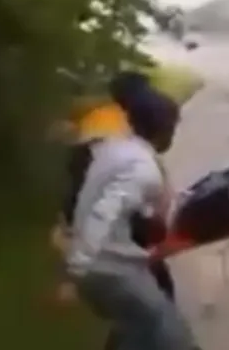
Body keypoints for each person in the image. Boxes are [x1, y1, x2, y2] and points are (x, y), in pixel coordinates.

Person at [64, 71, 197, 350]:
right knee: (168, 332)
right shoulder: (143, 168)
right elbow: (104, 213)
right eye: (173, 128)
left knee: (140, 326)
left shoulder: (115, 148)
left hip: (106, 264)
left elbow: (135, 206)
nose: (174, 134)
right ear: (162, 129)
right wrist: (76, 269)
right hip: (109, 269)